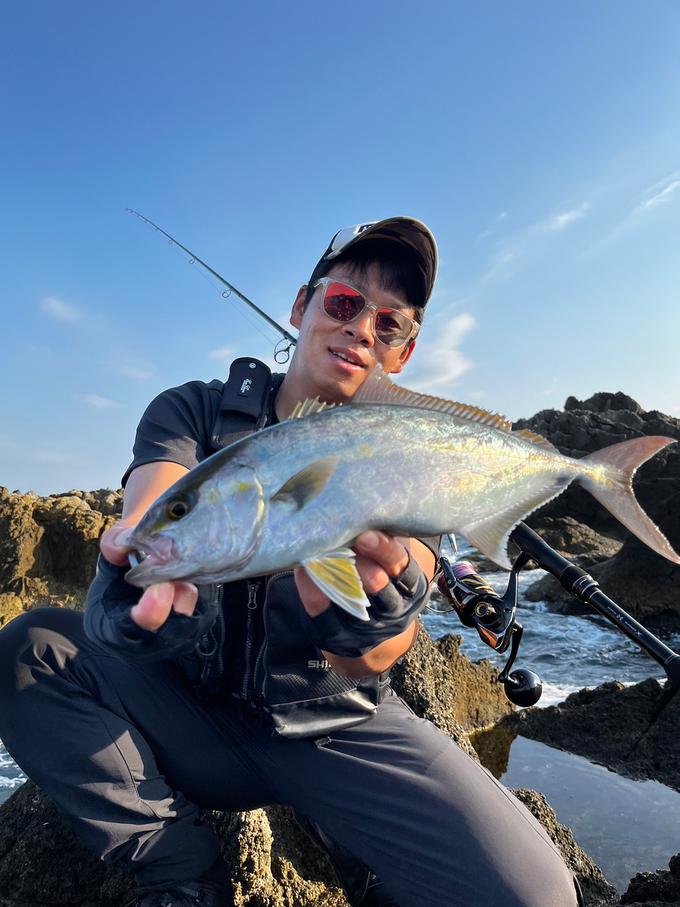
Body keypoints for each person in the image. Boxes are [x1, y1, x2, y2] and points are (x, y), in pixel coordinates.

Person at [0, 219, 583, 907]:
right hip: (190, 713)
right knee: (30, 648)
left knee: (537, 895)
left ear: (403, 351)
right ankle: (180, 873)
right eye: (344, 302)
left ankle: (346, 841)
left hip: (333, 730)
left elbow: (381, 653)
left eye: (389, 323)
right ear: (302, 306)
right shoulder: (194, 411)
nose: (360, 328)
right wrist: (138, 589)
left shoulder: (416, 458)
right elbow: (156, 502)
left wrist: (370, 618)